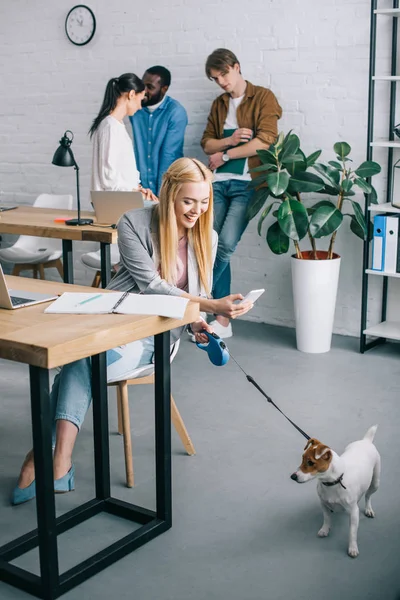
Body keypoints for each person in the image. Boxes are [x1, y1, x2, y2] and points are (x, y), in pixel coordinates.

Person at [11, 157, 254, 505]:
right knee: (81, 353)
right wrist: (212, 308)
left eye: (204, 202)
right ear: (170, 194)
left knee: (80, 359)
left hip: (154, 338)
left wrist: (197, 322)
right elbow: (151, 285)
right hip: (113, 321)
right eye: (188, 201)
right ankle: (54, 465)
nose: (197, 211)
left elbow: (194, 298)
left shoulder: (207, 237)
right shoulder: (133, 223)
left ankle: (47, 459)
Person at [200, 48, 282, 339]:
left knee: (225, 246)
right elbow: (207, 144)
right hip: (218, 184)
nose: (220, 81)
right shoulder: (219, 104)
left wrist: (226, 154)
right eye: (215, 77)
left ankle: (200, 300)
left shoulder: (263, 97)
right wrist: (230, 140)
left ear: (236, 67)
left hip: (249, 184)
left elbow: (265, 142)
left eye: (223, 74)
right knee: (208, 244)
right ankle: (222, 321)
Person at [129, 66, 188, 196]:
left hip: (167, 188)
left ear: (164, 89)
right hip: (141, 189)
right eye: (142, 85)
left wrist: (163, 196)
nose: (143, 91)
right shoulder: (135, 110)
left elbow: (169, 156)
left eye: (150, 87)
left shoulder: (176, 112)